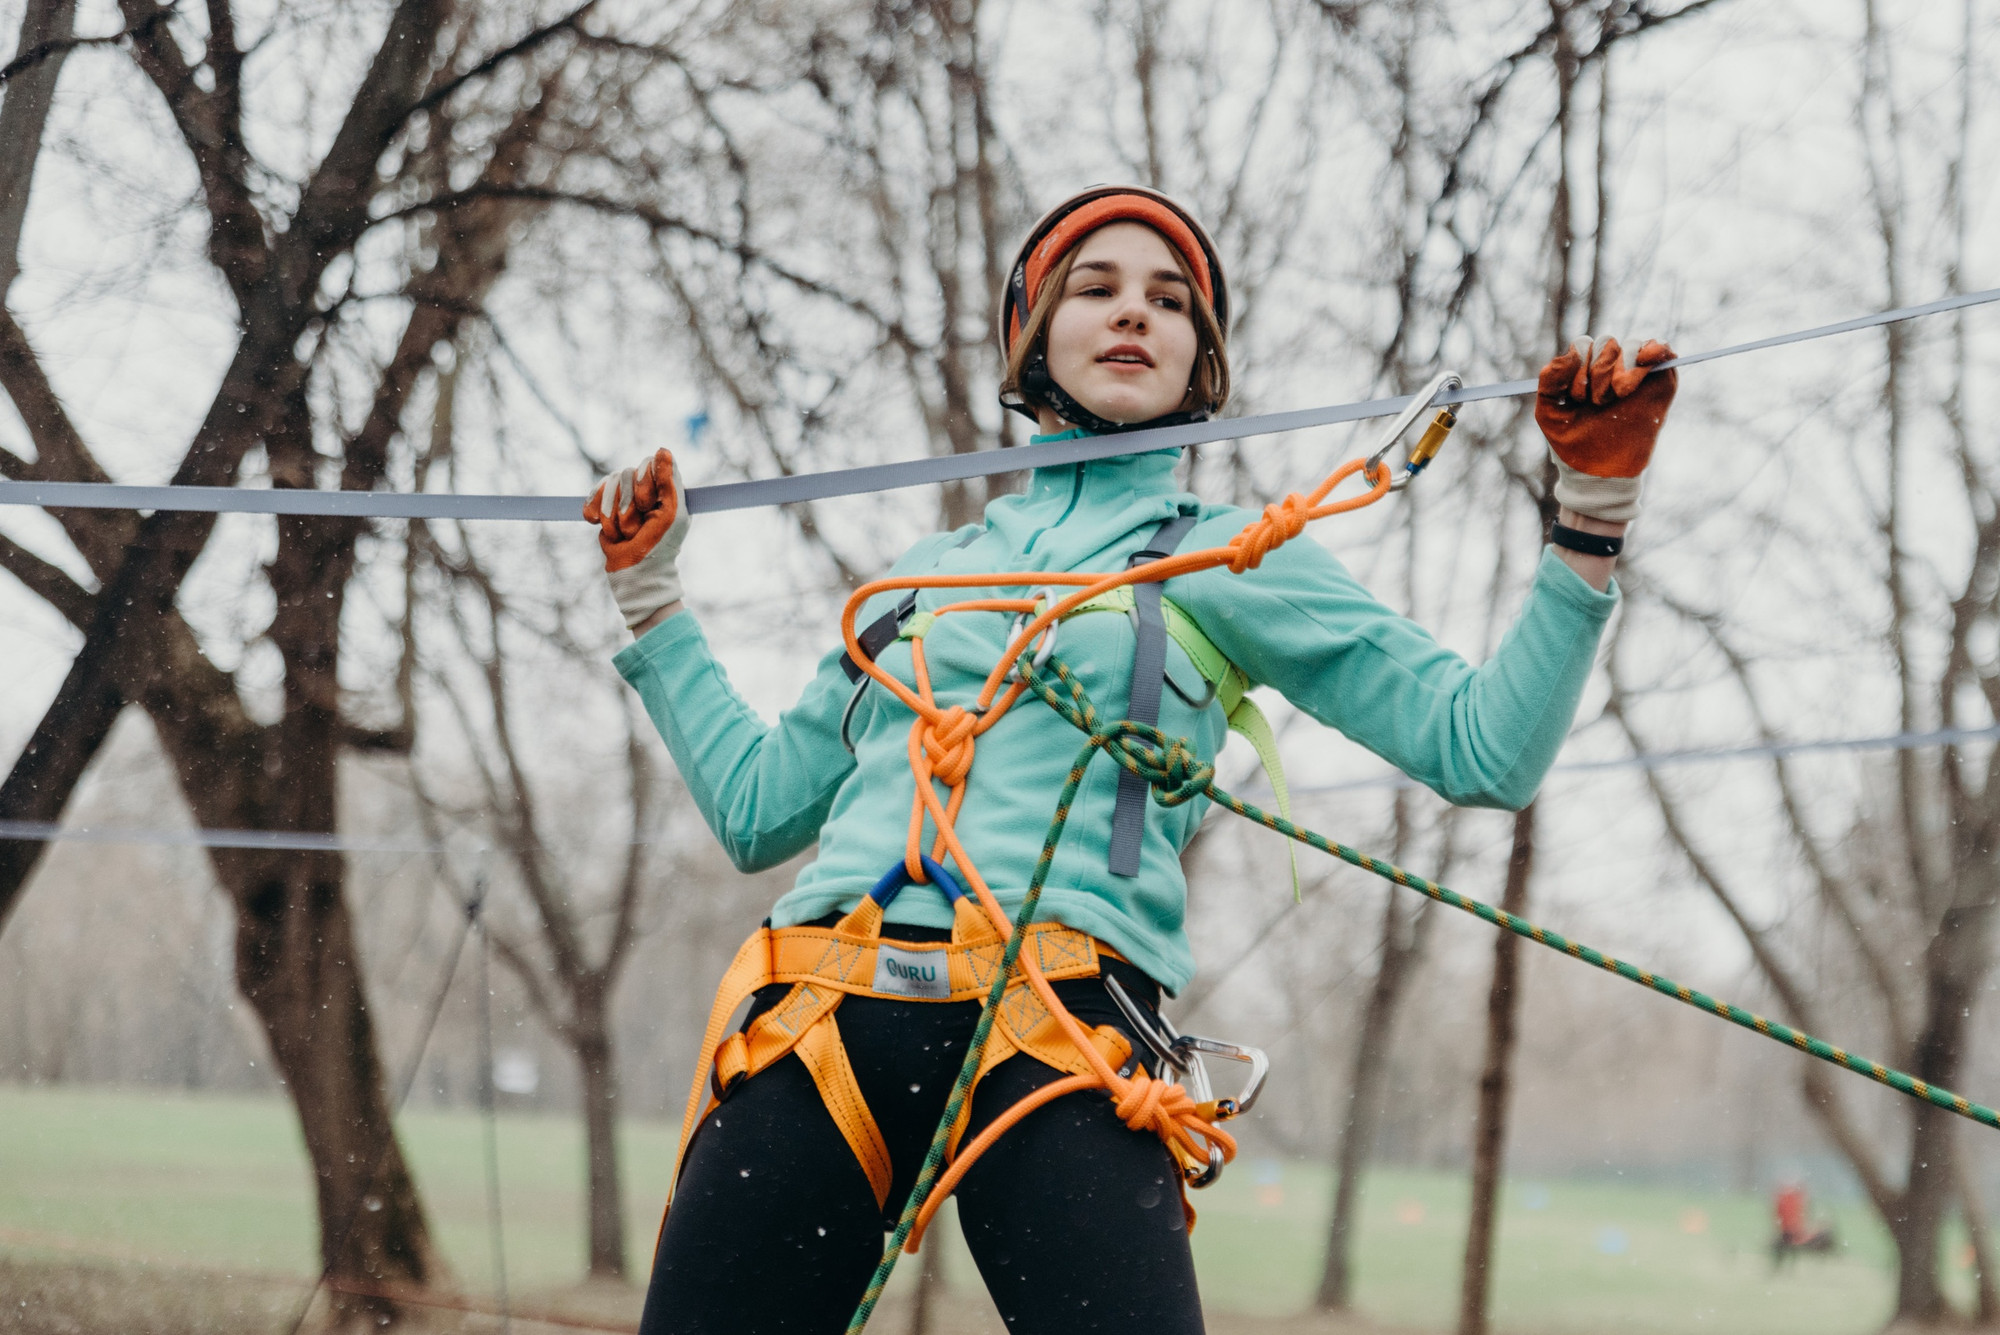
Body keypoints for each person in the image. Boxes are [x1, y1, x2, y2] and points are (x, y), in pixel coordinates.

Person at [589, 185, 1677, 1334]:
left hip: (1062, 1035)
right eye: (1094, 289)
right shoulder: (922, 576)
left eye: (1169, 302)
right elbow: (759, 812)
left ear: (1198, 361)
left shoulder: (1228, 557)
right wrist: (652, 600)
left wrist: (1590, 508)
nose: (1133, 315)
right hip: (819, 1017)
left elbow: (1484, 752)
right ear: (1033, 337)